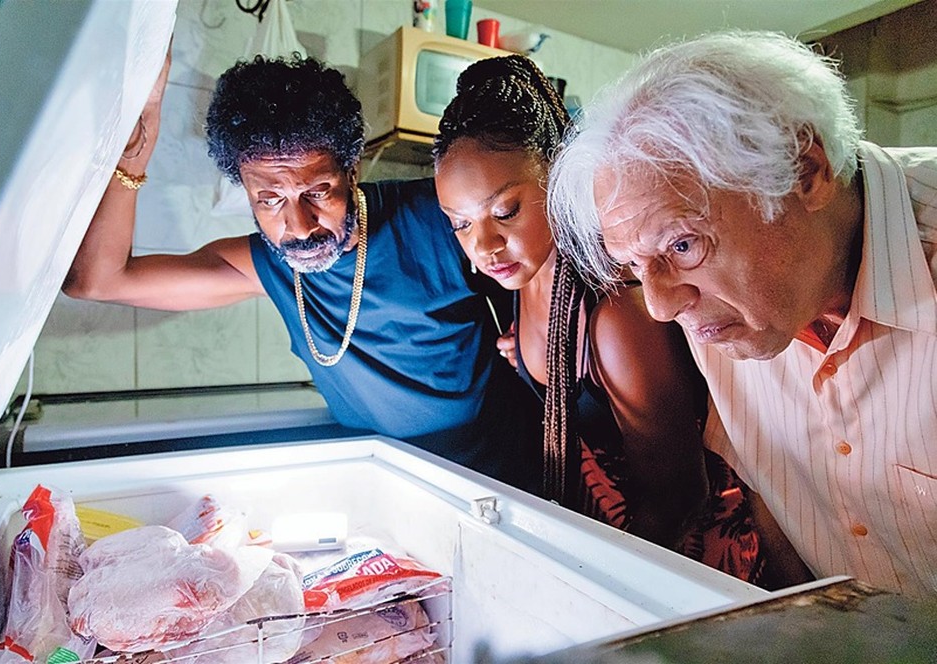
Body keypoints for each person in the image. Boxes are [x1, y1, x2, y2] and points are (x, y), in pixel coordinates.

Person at [547, 30, 937, 597]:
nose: (660, 307)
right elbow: (775, 494)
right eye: (635, 265)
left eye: (683, 246)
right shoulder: (724, 310)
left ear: (806, 172)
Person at [64, 51, 542, 492]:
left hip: (503, 485)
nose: (298, 227)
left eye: (317, 192)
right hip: (390, 488)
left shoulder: (439, 218)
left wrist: (534, 329)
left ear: (351, 168)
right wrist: (134, 147)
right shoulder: (269, 263)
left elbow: (546, 257)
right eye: (269, 200)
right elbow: (98, 280)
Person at [433, 54, 777, 585]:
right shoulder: (521, 285)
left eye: (505, 212)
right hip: (608, 536)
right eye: (460, 224)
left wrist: (582, 583)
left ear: (560, 180)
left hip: (690, 567)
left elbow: (678, 498)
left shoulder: (617, 316)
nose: (483, 245)